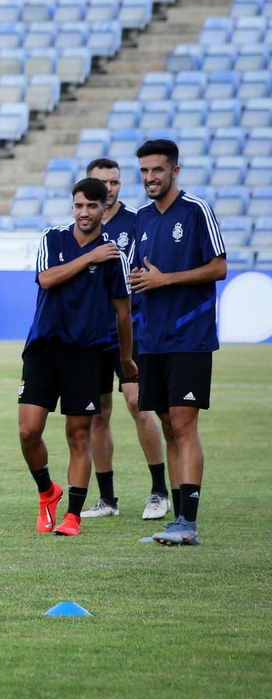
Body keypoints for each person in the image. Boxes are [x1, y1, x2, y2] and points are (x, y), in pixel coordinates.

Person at [17, 178, 137, 537]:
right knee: (28, 431)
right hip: (42, 349)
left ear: (105, 208)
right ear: (73, 207)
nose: (85, 213)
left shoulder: (114, 255)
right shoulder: (52, 239)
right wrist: (88, 258)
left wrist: (127, 360)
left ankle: (72, 515)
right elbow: (47, 278)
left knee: (78, 435)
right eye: (79, 205)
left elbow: (123, 313)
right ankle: (46, 491)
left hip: (86, 353)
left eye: (92, 206)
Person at [128, 139, 227, 546]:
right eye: (145, 171)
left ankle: (189, 521)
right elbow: (137, 275)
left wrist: (164, 279)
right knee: (168, 425)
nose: (150, 178)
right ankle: (178, 519)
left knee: (184, 423)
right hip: (152, 339)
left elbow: (219, 266)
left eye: (157, 170)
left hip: (189, 335)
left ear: (175, 171)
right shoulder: (142, 219)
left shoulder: (197, 210)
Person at [84, 158, 170, 521]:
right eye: (101, 182)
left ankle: (159, 492)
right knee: (97, 414)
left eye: (114, 182)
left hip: (129, 327)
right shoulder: (79, 227)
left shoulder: (136, 221)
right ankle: (107, 499)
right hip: (90, 333)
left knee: (137, 403)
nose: (109, 189)